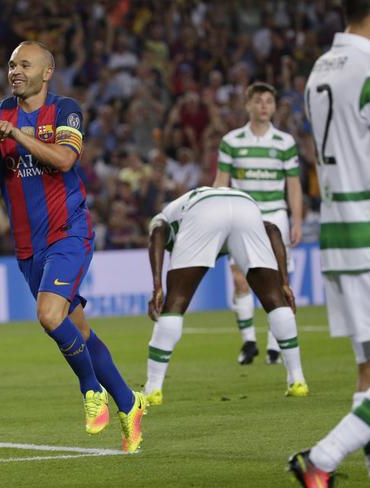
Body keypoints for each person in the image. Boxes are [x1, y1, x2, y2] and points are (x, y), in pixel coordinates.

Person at [0, 41, 146, 452]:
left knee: (49, 315)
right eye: (11, 63)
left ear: (46, 72)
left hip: (68, 230)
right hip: (27, 246)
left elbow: (65, 160)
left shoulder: (66, 110)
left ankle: (91, 391)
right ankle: (129, 402)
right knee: (79, 329)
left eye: (24, 64)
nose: (15, 70)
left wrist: (16, 134)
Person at [288, 1, 370, 484]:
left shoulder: (323, 65)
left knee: (367, 375)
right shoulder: (365, 65)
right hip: (367, 228)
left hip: (341, 232)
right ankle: (321, 459)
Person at [143, 186, 308, 406]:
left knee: (176, 302)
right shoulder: (186, 205)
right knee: (275, 299)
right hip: (245, 204)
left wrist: (157, 285)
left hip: (205, 211)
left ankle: (153, 388)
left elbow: (157, 231)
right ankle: (297, 380)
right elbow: (272, 230)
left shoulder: (164, 216)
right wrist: (284, 283)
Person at [213, 81, 303, 366]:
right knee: (240, 278)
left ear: (274, 106)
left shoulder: (285, 143)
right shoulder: (231, 141)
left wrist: (297, 219)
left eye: (269, 101)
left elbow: (294, 185)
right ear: (248, 104)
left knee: (277, 282)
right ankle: (249, 342)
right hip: (243, 215)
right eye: (259, 101)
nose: (264, 106)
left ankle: (274, 346)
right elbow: (221, 183)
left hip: (276, 214)